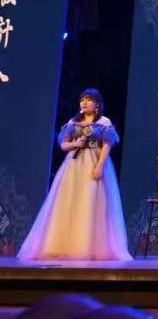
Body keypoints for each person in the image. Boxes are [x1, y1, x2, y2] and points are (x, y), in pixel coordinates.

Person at [18, 89, 132, 260]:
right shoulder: (73, 122)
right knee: (69, 202)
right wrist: (75, 143)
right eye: (82, 100)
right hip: (73, 165)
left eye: (88, 99)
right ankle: (63, 245)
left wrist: (99, 166)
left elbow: (107, 145)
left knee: (91, 201)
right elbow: (63, 145)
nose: (84, 103)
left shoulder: (103, 122)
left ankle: (89, 246)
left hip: (94, 162)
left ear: (97, 104)